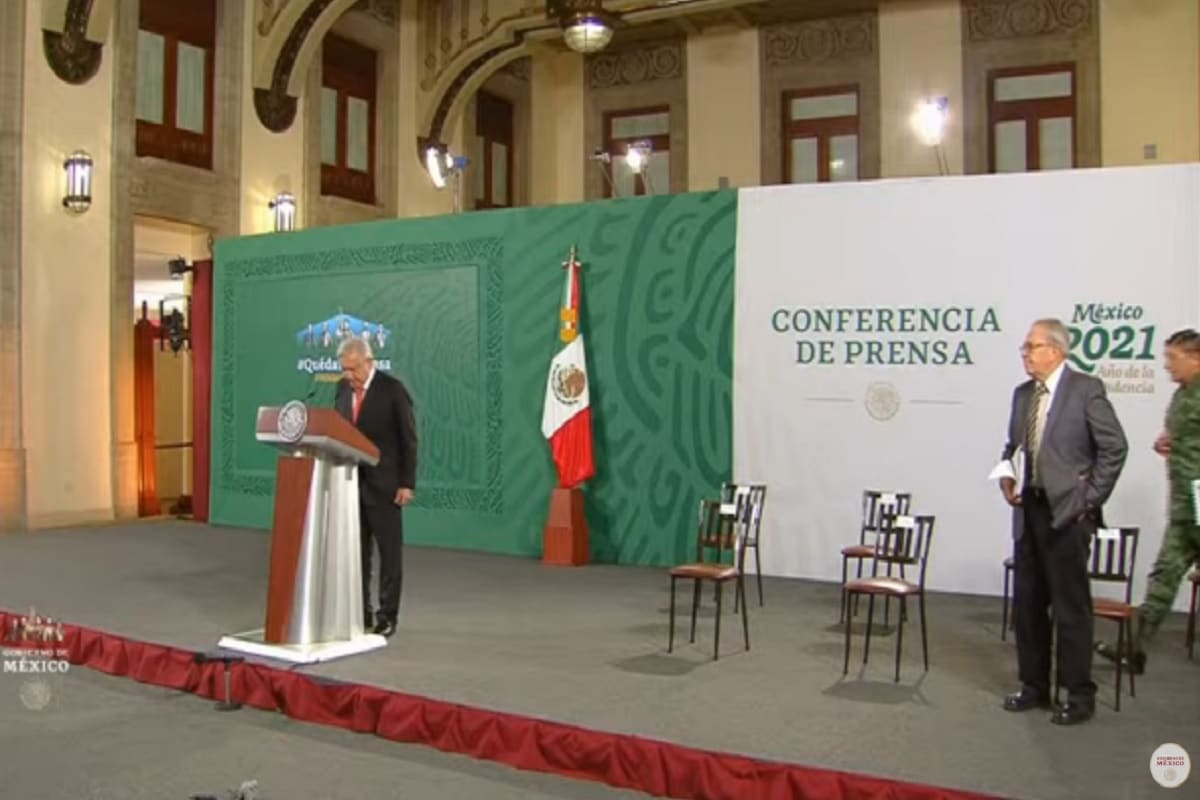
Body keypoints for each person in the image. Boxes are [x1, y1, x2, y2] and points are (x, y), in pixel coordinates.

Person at [997, 318, 1127, 725]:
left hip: (1068, 513)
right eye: (1024, 347)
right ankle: (1034, 686)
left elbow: (1114, 448)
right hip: (1029, 511)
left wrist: (1089, 500)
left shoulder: (1085, 389)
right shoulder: (1022, 396)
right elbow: (1013, 447)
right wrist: (1006, 472)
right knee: (1029, 604)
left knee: (1070, 608)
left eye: (1032, 346)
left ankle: (1078, 693)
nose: (1025, 353)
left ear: (1055, 350)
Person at [1096, 328, 1200, 674]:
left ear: (1195, 357)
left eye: (1173, 358)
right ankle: (1134, 651)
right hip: (1184, 505)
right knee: (1164, 577)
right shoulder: (1183, 395)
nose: (1167, 365)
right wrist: (1169, 444)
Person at [335, 337, 418, 638]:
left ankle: (387, 615)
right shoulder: (342, 390)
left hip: (386, 486)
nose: (349, 376)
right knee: (357, 554)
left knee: (389, 556)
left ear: (369, 363)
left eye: (354, 369)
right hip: (350, 485)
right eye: (344, 370)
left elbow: (409, 440)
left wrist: (407, 483)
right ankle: (360, 612)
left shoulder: (392, 390)